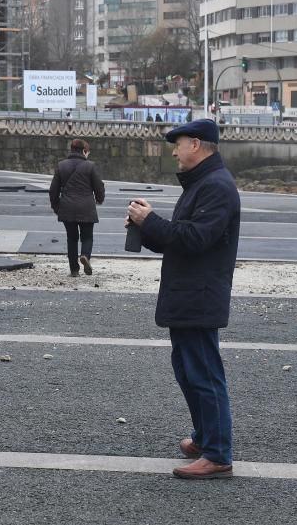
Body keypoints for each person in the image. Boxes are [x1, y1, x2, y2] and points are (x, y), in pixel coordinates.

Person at [126, 119, 241, 480]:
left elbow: (195, 239)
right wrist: (145, 227)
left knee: (204, 374)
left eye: (178, 144)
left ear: (196, 143)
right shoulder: (202, 184)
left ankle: (218, 452)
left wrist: (151, 220)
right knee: (189, 372)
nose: (174, 152)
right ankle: (206, 436)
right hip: (189, 294)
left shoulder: (216, 187)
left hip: (200, 295)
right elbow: (178, 239)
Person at [48, 138, 105, 277]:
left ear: (71, 149)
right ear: (83, 151)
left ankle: (74, 270)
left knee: (72, 239)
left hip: (67, 207)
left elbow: (53, 190)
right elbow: (99, 186)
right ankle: (85, 255)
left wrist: (56, 207)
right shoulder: (90, 166)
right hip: (86, 207)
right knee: (87, 237)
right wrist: (100, 199)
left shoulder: (61, 166)